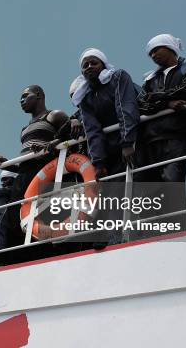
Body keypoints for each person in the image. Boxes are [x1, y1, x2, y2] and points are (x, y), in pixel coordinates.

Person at [136, 34, 186, 231]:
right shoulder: (151, 78)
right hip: (151, 137)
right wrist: (167, 103)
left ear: (169, 47)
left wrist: (157, 100)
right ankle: (161, 230)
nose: (153, 55)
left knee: (172, 182)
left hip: (177, 133)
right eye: (150, 53)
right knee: (152, 189)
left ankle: (185, 229)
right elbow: (141, 104)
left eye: (157, 49)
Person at [72, 48, 140, 245]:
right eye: (85, 65)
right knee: (108, 191)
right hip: (109, 149)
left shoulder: (118, 77)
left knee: (131, 186)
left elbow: (125, 107)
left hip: (132, 142)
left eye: (94, 62)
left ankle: (126, 233)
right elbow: (92, 130)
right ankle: (109, 235)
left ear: (103, 64)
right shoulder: (84, 96)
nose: (89, 67)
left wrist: (127, 142)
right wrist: (98, 162)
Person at [0, 85, 70, 251]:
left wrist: (48, 150)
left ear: (38, 95)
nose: (21, 101)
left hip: (46, 171)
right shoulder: (24, 130)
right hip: (24, 176)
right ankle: (16, 253)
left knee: (43, 214)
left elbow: (72, 136)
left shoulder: (54, 116)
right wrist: (6, 164)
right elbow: (24, 166)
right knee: (15, 216)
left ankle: (44, 251)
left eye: (25, 96)